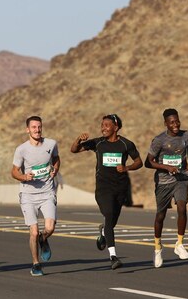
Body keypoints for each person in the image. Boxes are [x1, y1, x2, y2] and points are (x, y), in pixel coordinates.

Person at [71, 114, 142, 270]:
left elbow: (139, 162)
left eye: (107, 125)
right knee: (109, 215)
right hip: (103, 189)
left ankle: (103, 230)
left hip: (120, 189)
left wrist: (126, 168)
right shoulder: (98, 143)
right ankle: (113, 256)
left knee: (112, 222)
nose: (103, 128)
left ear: (115, 127)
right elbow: (74, 150)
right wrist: (78, 139)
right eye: (102, 125)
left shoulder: (126, 144)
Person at [144, 108, 188, 268]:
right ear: (166, 123)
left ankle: (179, 244)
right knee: (160, 216)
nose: (176, 124)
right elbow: (148, 162)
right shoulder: (159, 140)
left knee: (182, 207)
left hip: (181, 178)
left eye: (177, 121)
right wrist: (165, 167)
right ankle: (158, 247)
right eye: (172, 122)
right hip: (164, 181)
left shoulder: (186, 136)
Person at [11, 116, 60, 276]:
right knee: (33, 231)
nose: (37, 130)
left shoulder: (51, 144)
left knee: (50, 228)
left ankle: (43, 239)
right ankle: (35, 264)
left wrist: (55, 169)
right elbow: (14, 172)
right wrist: (24, 177)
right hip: (28, 195)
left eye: (39, 127)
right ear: (28, 130)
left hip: (47, 192)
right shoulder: (21, 149)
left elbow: (56, 159)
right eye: (33, 127)